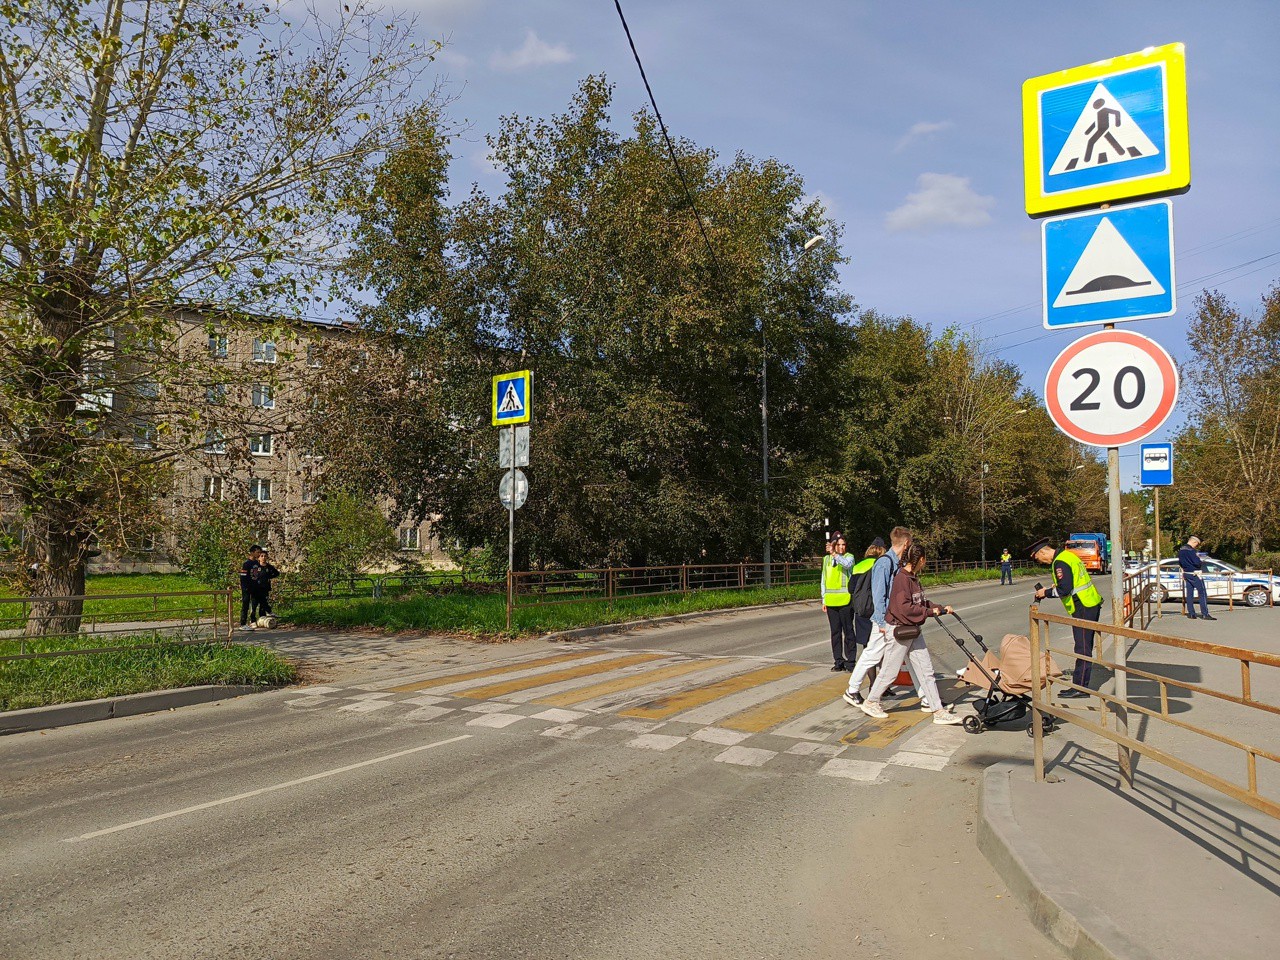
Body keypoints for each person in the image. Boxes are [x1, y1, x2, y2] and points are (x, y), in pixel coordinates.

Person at [856, 542, 961, 725]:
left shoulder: (913, 578)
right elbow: (903, 608)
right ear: (921, 559)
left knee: (926, 671)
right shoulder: (902, 579)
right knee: (889, 672)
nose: (925, 563)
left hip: (912, 630)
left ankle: (938, 711)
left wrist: (940, 608)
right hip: (899, 631)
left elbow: (921, 602)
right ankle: (871, 702)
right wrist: (928, 612)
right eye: (925, 560)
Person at [843, 526, 925, 706]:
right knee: (872, 655)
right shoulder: (884, 563)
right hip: (885, 620)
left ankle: (926, 697)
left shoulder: (894, 562)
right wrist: (881, 623)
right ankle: (852, 689)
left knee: (909, 656)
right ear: (906, 543)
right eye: (910, 543)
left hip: (893, 619)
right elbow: (879, 595)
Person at [1031, 537, 1103, 698]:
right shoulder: (1067, 555)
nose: (1040, 562)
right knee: (1084, 646)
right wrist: (1056, 587)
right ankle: (1080, 685)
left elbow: (1065, 590)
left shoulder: (1060, 562)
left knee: (1082, 648)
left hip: (1083, 606)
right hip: (1089, 603)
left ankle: (1080, 688)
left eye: (1038, 558)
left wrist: (1045, 593)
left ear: (1042, 552)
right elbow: (1072, 582)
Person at [821, 532, 857, 671]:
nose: (842, 547)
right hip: (831, 601)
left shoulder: (849, 557)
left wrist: (835, 554)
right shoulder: (826, 559)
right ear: (833, 545)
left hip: (845, 601)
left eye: (843, 544)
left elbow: (847, 565)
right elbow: (823, 580)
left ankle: (851, 661)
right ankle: (838, 661)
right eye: (839, 545)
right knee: (835, 633)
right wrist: (824, 599)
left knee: (848, 632)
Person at [849, 538, 885, 665]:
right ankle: (882, 676)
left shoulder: (858, 566)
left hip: (862, 610)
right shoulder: (881, 564)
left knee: (867, 648)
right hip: (877, 609)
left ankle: (871, 677)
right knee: (881, 646)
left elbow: (850, 588)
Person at [1177, 536, 1216, 620]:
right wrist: (1200, 561)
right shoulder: (1191, 551)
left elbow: (1180, 562)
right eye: (1197, 544)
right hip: (1195, 574)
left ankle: (1191, 614)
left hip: (1186, 573)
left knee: (1189, 594)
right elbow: (1196, 562)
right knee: (1202, 593)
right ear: (1194, 542)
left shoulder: (1181, 550)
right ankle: (1205, 614)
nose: (1196, 546)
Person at [252, 546, 280, 621]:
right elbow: (252, 576)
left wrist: (269, 576)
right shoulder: (255, 566)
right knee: (254, 604)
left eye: (265, 556)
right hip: (256, 588)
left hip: (265, 588)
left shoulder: (269, 567)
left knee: (263, 604)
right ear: (258, 557)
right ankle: (253, 620)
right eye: (261, 556)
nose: (263, 557)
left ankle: (263, 619)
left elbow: (277, 573)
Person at [239, 545, 262, 630]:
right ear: (252, 552)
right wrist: (245, 587)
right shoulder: (246, 564)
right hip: (247, 588)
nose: (259, 554)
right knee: (245, 605)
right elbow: (243, 576)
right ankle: (243, 623)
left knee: (254, 604)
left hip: (255, 587)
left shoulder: (257, 563)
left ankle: (253, 620)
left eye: (259, 552)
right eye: (257, 552)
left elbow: (258, 574)